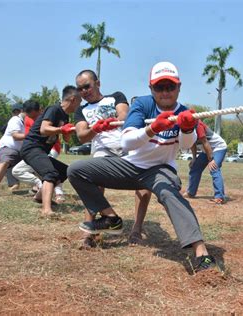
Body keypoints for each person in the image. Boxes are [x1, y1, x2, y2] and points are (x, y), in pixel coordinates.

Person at [68, 61, 217, 271]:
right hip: (131, 166)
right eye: (159, 87)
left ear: (179, 87)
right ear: (151, 88)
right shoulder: (143, 105)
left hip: (160, 170)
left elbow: (185, 146)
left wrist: (187, 128)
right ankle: (110, 218)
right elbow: (127, 141)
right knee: (77, 170)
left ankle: (202, 253)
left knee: (169, 193)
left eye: (170, 86)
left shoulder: (183, 111)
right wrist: (153, 128)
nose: (165, 92)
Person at [73, 69, 152, 248]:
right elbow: (82, 135)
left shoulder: (116, 96)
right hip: (103, 151)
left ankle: (137, 229)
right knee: (90, 180)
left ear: (98, 83)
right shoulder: (81, 110)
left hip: (127, 146)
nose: (84, 91)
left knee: (145, 184)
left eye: (87, 86)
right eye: (80, 89)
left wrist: (110, 120)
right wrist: (96, 129)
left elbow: (124, 116)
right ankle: (90, 232)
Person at [20, 86, 81, 217]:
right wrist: (61, 129)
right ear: (73, 99)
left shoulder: (65, 116)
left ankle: (39, 196)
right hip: (31, 148)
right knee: (50, 173)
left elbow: (65, 138)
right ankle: (46, 210)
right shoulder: (54, 109)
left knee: (65, 171)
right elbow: (44, 129)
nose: (80, 104)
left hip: (41, 150)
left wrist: (70, 130)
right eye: (80, 101)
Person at [12, 103, 66, 204]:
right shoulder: (28, 120)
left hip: (46, 150)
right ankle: (44, 195)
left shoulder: (50, 116)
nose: (36, 118)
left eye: (36, 115)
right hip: (33, 150)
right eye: (31, 116)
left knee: (53, 172)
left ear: (40, 110)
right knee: (50, 172)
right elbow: (30, 135)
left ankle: (53, 193)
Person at [0, 103, 39, 198]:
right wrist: (32, 136)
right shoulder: (15, 119)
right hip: (9, 148)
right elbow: (16, 136)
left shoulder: (28, 122)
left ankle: (36, 188)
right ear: (24, 111)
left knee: (37, 162)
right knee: (5, 161)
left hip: (22, 151)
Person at [182, 120, 228, 204]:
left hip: (218, 147)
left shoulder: (198, 126)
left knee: (214, 168)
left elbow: (205, 142)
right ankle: (191, 192)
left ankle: (220, 197)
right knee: (195, 168)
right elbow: (192, 144)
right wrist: (194, 158)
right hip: (206, 150)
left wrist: (211, 159)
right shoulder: (184, 128)